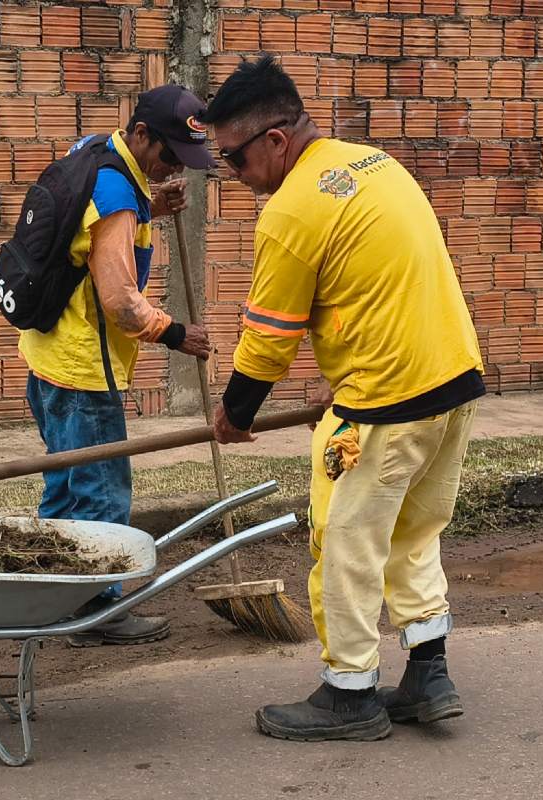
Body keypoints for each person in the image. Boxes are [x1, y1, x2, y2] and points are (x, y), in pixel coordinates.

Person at [202, 56, 486, 741]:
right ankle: (427, 672)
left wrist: (235, 414)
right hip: (453, 383)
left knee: (345, 540)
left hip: (381, 409)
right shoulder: (373, 165)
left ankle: (350, 693)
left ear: (275, 140)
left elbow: (267, 341)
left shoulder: (292, 210)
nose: (234, 178)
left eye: (234, 159)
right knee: (412, 533)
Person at [18, 85, 215, 646]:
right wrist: (178, 334)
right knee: (101, 491)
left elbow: (87, 229)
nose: (174, 165)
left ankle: (49, 598)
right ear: (142, 134)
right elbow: (122, 304)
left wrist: (150, 205)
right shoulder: (117, 197)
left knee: (63, 484)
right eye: (170, 152)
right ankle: (98, 610)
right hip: (84, 370)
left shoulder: (94, 154)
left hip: (48, 355)